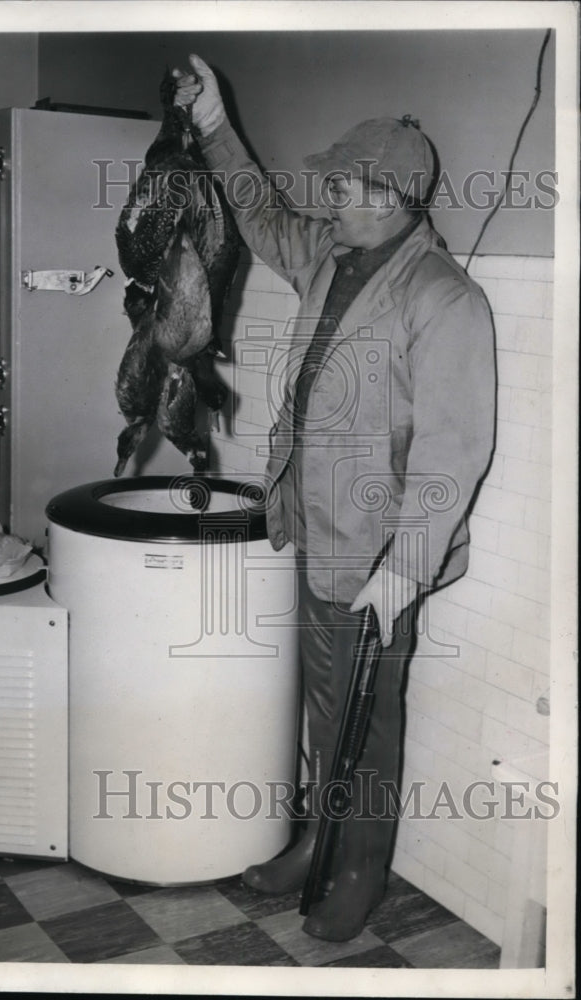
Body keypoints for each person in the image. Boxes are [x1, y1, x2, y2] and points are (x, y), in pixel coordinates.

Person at [174, 55, 496, 942]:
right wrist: (211, 123)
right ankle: (318, 837)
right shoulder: (334, 252)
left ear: (390, 194)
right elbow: (259, 210)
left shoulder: (445, 299)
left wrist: (405, 567)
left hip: (379, 550)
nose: (326, 197)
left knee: (367, 715)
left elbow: (453, 448)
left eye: (343, 184)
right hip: (316, 525)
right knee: (325, 706)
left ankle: (357, 868)